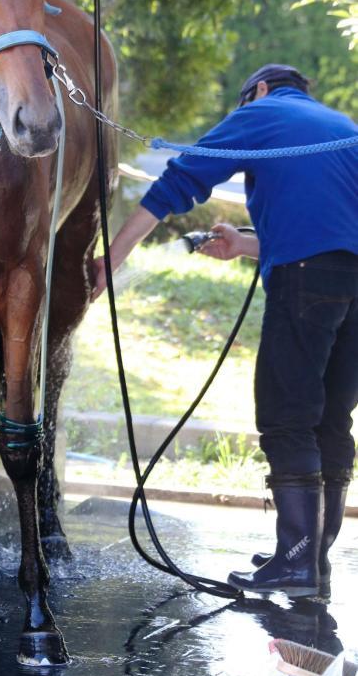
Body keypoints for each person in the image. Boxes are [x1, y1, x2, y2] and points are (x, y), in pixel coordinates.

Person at [93, 64, 358, 598]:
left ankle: (298, 562)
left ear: (257, 91)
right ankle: (309, 559)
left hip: (305, 281)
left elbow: (178, 182)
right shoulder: (341, 128)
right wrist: (244, 245)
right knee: (331, 418)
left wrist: (110, 262)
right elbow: (332, 234)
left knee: (287, 416)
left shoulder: (261, 113)